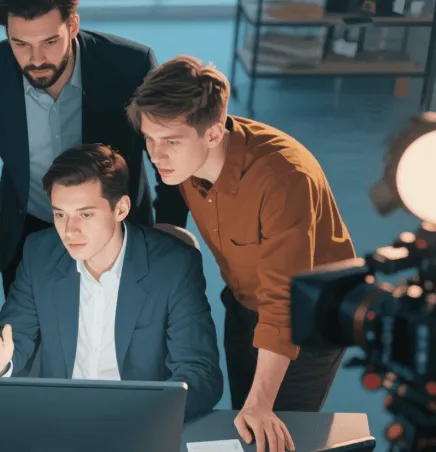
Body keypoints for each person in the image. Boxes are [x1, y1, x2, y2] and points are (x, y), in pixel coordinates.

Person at [126, 55, 355, 452]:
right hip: (244, 304)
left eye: (170, 142)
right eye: (149, 138)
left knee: (278, 434)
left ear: (213, 135)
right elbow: (170, 190)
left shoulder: (283, 179)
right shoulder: (185, 160)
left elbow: (284, 300)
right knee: (244, 424)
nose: (155, 155)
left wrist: (262, 403)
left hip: (310, 319)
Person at [0, 144, 223, 421]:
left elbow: (200, 374)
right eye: (60, 214)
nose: (70, 231)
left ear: (121, 208)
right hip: (59, 422)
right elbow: (15, 337)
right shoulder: (40, 254)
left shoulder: (174, 265)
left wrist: (146, 414)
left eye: (85, 214)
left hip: (139, 423)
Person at [0, 0, 189, 297]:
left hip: (116, 231)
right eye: (21, 44)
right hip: (27, 231)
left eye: (50, 41)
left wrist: (167, 232)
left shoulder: (131, 65)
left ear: (73, 26)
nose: (36, 58)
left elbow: (168, 154)